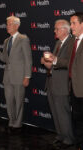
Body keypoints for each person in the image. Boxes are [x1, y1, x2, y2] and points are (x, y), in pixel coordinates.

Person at [0, 16, 32, 134]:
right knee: (9, 101)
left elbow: (28, 59)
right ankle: (11, 122)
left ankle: (17, 124)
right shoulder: (6, 41)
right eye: (7, 24)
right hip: (7, 77)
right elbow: (5, 59)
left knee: (19, 101)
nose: (7, 26)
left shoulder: (23, 39)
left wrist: (27, 76)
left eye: (9, 24)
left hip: (20, 76)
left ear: (17, 25)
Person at [41, 19, 74, 149]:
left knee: (63, 113)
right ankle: (60, 135)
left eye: (56, 29)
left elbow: (69, 63)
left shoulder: (72, 43)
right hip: (51, 82)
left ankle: (69, 139)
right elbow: (54, 62)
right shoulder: (58, 43)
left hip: (62, 84)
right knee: (55, 112)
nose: (54, 31)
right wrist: (46, 61)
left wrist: (54, 60)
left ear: (65, 30)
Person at [69, 12, 83, 150]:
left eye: (74, 23)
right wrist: (55, 60)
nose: (71, 26)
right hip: (74, 88)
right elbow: (70, 63)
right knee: (77, 120)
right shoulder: (74, 41)